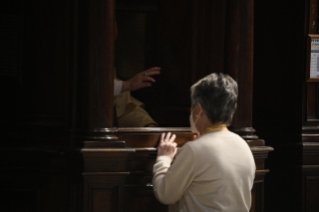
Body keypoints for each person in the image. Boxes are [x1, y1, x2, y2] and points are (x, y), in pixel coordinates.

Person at [152, 73, 256, 212]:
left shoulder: (194, 150)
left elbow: (165, 194)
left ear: (198, 109)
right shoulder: (243, 145)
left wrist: (164, 159)